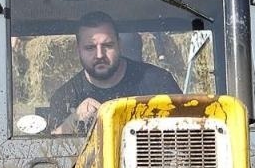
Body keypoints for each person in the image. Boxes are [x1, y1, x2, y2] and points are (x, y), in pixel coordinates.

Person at [48, 12, 180, 132]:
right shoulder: (64, 98)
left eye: (107, 46)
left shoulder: (158, 83)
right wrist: (73, 120)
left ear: (119, 44)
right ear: (78, 50)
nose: (99, 55)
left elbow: (191, 133)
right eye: (90, 48)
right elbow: (48, 151)